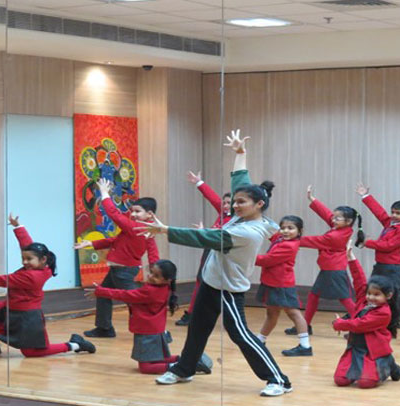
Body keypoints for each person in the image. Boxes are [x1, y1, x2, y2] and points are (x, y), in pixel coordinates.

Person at [137, 129, 292, 396]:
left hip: (229, 290)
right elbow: (240, 182)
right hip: (211, 283)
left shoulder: (247, 231)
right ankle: (184, 369)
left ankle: (279, 379)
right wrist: (240, 154)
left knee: (240, 335)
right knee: (197, 329)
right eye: (236, 202)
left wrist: (165, 230)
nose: (235, 206)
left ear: (259, 204)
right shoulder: (244, 216)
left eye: (242, 202)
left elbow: (205, 237)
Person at [0, 214, 95, 357]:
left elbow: (0, 280)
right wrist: (18, 227)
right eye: (23, 258)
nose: (24, 262)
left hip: (27, 317)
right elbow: (27, 246)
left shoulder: (30, 277)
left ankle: (75, 344)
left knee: (32, 353)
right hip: (10, 309)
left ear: (43, 259)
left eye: (28, 259)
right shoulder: (43, 266)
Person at [85, 259, 212, 375]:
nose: (150, 277)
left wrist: (101, 291)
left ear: (167, 280)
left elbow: (125, 294)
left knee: (145, 367)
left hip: (147, 332)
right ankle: (188, 361)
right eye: (151, 273)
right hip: (155, 330)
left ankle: (185, 366)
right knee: (158, 358)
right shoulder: (165, 288)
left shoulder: (150, 291)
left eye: (156, 276)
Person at [75, 178, 160, 338]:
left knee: (136, 300)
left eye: (137, 211)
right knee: (103, 294)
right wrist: (91, 243)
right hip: (119, 269)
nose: (133, 214)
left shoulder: (138, 227)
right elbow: (115, 241)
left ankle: (156, 330)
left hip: (124, 271)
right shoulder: (144, 229)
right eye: (132, 211)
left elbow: (114, 214)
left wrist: (105, 194)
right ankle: (104, 328)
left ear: (149, 215)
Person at [286, 185, 364, 335]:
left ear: (348, 221)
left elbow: (313, 241)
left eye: (337, 218)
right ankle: (305, 326)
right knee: (314, 296)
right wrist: (312, 199)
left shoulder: (334, 236)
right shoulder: (342, 228)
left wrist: (291, 238)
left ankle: (361, 326)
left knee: (346, 300)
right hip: (328, 269)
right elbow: (326, 214)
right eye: (334, 217)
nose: (333, 219)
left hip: (334, 271)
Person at [332, 241, 400, 389]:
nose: (370, 297)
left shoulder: (383, 313)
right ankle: (382, 363)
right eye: (369, 293)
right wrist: (351, 257)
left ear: (388, 296)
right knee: (340, 380)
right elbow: (359, 279)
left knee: (365, 383)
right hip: (355, 348)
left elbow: (361, 324)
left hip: (373, 351)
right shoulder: (364, 300)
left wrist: (340, 324)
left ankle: (389, 363)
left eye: (376, 295)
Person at [354, 181, 400, 328]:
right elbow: (379, 212)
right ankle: (370, 314)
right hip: (382, 264)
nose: (394, 215)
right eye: (393, 212)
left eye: (398, 213)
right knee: (373, 287)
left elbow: (388, 246)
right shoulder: (390, 223)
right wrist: (365, 195)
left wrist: (367, 242)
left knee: (394, 293)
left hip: (393, 266)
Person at [176, 171, 232, 327]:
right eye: (225, 202)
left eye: (229, 203)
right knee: (201, 282)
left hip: (224, 255)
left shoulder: (236, 220)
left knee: (223, 286)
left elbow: (222, 236)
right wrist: (199, 183)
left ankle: (224, 316)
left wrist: (204, 231)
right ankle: (192, 314)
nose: (226, 205)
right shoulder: (223, 212)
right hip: (210, 252)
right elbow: (213, 198)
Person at [254, 215, 313, 356]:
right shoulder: (280, 239)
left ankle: (305, 346)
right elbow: (271, 232)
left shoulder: (289, 245)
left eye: (290, 228)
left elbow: (267, 260)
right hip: (272, 283)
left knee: (293, 313)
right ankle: (260, 341)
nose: (286, 231)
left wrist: (245, 256)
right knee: (271, 313)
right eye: (283, 228)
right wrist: (258, 217)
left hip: (282, 285)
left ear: (300, 231)